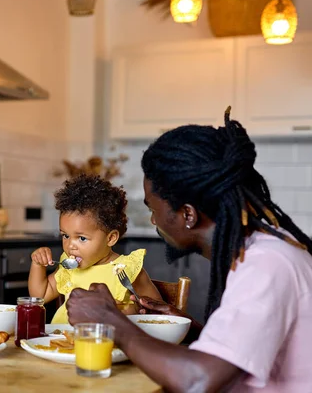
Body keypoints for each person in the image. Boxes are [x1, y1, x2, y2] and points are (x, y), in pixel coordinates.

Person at [66, 107, 312, 392]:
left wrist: (110, 320)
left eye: (154, 209)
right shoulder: (263, 252)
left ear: (188, 214)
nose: (154, 220)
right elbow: (242, 350)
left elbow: (199, 380)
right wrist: (191, 326)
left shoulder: (268, 264)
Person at [28, 174, 162, 323]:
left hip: (106, 343)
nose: (70, 245)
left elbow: (157, 312)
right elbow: (40, 295)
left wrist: (131, 310)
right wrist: (37, 264)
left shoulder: (127, 269)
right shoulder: (69, 267)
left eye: (82, 238)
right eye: (65, 236)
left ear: (110, 238)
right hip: (62, 340)